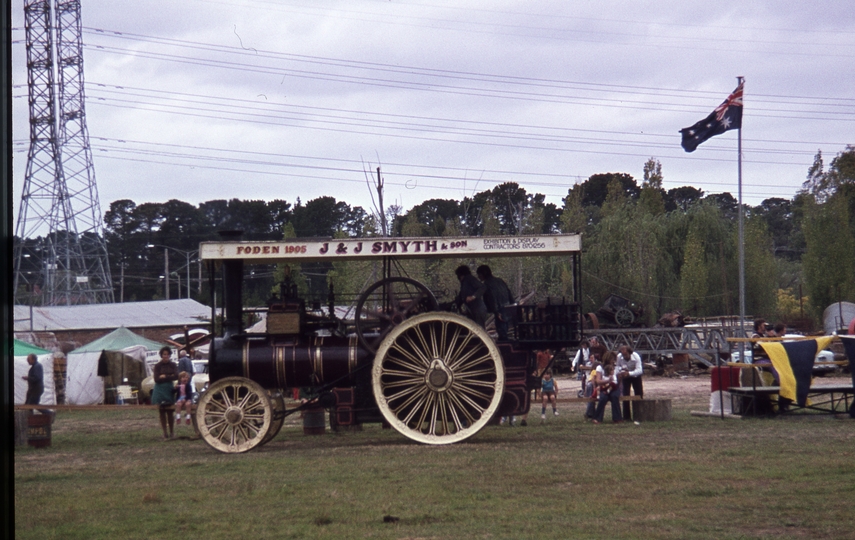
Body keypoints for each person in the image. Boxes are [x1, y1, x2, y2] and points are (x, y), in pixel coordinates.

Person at [475, 265, 514, 340]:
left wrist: (496, 312)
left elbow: (492, 298)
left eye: (479, 275)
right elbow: (509, 293)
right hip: (507, 308)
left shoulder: (487, 284)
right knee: (506, 329)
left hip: (499, 309)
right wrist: (513, 305)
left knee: (502, 332)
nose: (479, 277)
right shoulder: (500, 280)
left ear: (483, 274)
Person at [152, 346, 179, 439]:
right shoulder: (157, 366)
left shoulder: (173, 365)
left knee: (170, 411)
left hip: (169, 389)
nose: (166, 356)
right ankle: (165, 433)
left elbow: (176, 376)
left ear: (170, 355)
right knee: (162, 411)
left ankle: (172, 432)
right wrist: (168, 376)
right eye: (164, 354)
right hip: (160, 390)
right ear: (161, 355)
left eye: (167, 354)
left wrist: (165, 376)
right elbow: (156, 379)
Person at [617, 345, 643, 421]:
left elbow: (640, 370)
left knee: (638, 394)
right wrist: (621, 371)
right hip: (625, 376)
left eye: (625, 354)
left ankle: (639, 415)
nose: (624, 356)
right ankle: (626, 417)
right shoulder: (619, 356)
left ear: (629, 352)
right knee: (625, 395)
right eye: (623, 354)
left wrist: (629, 373)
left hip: (636, 376)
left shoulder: (636, 357)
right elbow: (617, 366)